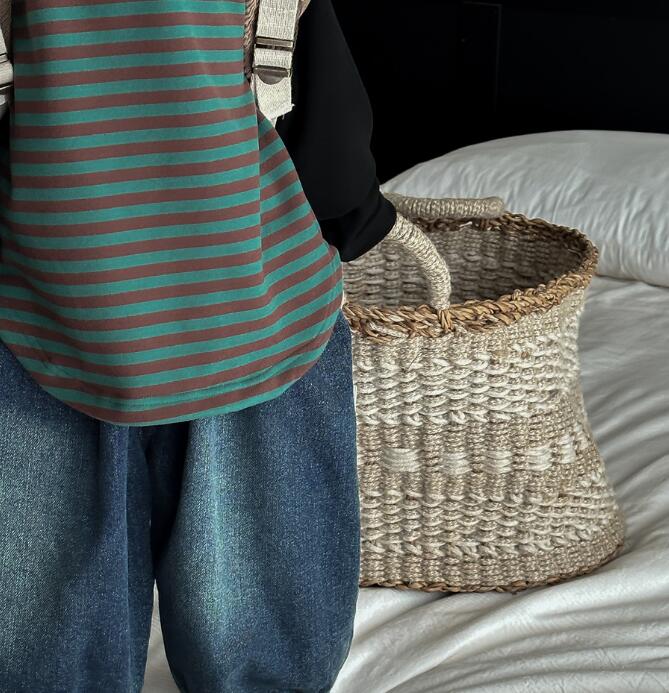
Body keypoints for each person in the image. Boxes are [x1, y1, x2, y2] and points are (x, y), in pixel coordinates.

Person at [0, 1, 395, 691]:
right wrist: (356, 211)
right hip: (253, 310)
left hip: (53, 300)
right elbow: (323, 127)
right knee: (260, 638)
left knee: (56, 643)